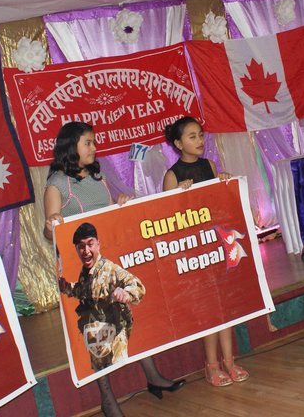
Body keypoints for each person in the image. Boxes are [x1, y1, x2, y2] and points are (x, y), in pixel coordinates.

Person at [43, 122, 183, 417]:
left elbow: (106, 218)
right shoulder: (56, 184)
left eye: (94, 142)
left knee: (129, 316)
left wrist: (119, 205)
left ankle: (153, 376)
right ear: (71, 146)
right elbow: (49, 232)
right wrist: (51, 224)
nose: (94, 148)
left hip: (109, 264)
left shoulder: (99, 177)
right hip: (83, 272)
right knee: (97, 333)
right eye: (88, 143)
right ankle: (107, 400)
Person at [162, 116, 249, 386]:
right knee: (210, 309)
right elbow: (167, 221)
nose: (199, 140)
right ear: (178, 144)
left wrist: (223, 182)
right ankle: (211, 366)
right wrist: (178, 195)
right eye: (192, 137)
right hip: (194, 252)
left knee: (224, 306)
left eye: (200, 135)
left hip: (217, 244)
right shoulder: (172, 175)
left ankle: (230, 361)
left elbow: (218, 205)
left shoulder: (209, 165)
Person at [60, 222, 145, 371]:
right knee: (100, 373)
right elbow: (82, 291)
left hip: (115, 335)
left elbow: (137, 285)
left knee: (120, 370)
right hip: (96, 336)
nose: (86, 251)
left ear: (98, 244)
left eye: (90, 244)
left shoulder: (110, 269)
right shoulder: (86, 272)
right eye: (81, 246)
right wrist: (66, 287)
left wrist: (126, 293)